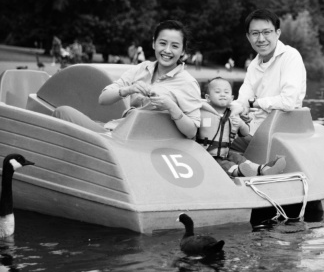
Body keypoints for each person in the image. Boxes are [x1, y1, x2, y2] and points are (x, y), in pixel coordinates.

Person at [52, 20, 215, 139]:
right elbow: (103, 99)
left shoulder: (188, 82)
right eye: (162, 43)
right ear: (153, 44)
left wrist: (171, 107)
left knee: (65, 115)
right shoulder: (141, 69)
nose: (167, 50)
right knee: (63, 112)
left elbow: (192, 131)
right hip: (117, 132)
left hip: (142, 143)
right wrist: (129, 89)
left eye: (174, 46)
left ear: (183, 50)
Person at [229, 9, 306, 152]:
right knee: (210, 128)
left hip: (280, 130)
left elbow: (288, 102)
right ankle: (238, 167)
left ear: (277, 33)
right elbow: (243, 100)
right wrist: (232, 108)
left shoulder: (290, 56)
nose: (261, 39)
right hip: (253, 128)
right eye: (255, 33)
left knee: (213, 140)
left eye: (266, 32)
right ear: (248, 36)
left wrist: (254, 103)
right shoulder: (253, 65)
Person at [197, 77, 286, 177]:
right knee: (225, 164)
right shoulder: (201, 113)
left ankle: (263, 169)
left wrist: (241, 124)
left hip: (225, 153)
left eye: (226, 92)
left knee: (239, 158)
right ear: (208, 97)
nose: (222, 94)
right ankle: (240, 172)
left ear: (231, 98)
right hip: (208, 156)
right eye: (217, 92)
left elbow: (245, 133)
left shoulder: (233, 114)